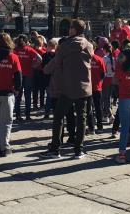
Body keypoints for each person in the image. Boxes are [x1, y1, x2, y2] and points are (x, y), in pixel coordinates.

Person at [41, 19, 93, 159]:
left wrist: (45, 69)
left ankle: (55, 149)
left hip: (68, 87)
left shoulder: (65, 45)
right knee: (81, 119)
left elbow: (55, 63)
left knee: (58, 117)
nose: (68, 29)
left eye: (70, 27)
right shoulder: (89, 45)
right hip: (84, 87)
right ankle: (78, 150)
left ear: (74, 30)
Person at [13, 35, 42, 122]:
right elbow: (39, 58)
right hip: (29, 74)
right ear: (26, 41)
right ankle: (28, 115)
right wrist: (34, 66)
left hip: (18, 75)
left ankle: (18, 116)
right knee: (28, 95)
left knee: (17, 95)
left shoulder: (15, 50)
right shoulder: (29, 49)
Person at [88, 47, 106, 134]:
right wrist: (99, 82)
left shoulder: (84, 59)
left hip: (87, 88)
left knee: (89, 108)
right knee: (98, 107)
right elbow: (103, 74)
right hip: (97, 87)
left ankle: (91, 128)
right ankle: (100, 127)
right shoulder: (100, 59)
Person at [41, 38, 58, 120]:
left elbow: (44, 67)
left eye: (48, 46)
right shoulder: (46, 55)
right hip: (49, 78)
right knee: (50, 96)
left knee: (50, 96)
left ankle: (49, 113)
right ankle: (49, 113)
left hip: (51, 78)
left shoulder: (50, 55)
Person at [32, 36, 47, 111]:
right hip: (42, 71)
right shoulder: (44, 51)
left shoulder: (32, 50)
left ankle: (35, 103)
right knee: (42, 89)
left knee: (35, 88)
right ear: (42, 43)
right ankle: (41, 104)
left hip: (34, 71)